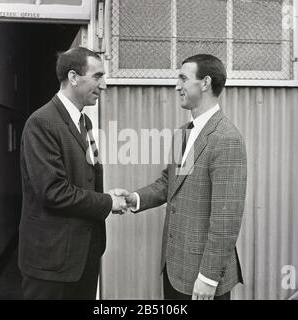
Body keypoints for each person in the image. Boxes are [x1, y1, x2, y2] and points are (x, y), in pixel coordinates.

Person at [115, 54, 247, 300]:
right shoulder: (183, 134)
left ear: (205, 83)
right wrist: (134, 198)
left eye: (183, 79)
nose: (177, 86)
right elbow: (169, 183)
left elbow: (226, 219)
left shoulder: (227, 139)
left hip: (203, 280)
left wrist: (208, 278)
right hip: (175, 269)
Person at [18, 47, 126, 300]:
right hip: (51, 265)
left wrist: (107, 197)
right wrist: (108, 201)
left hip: (83, 258)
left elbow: (85, 181)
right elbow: (53, 192)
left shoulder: (85, 122)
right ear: (74, 77)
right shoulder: (41, 122)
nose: (104, 84)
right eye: (97, 76)